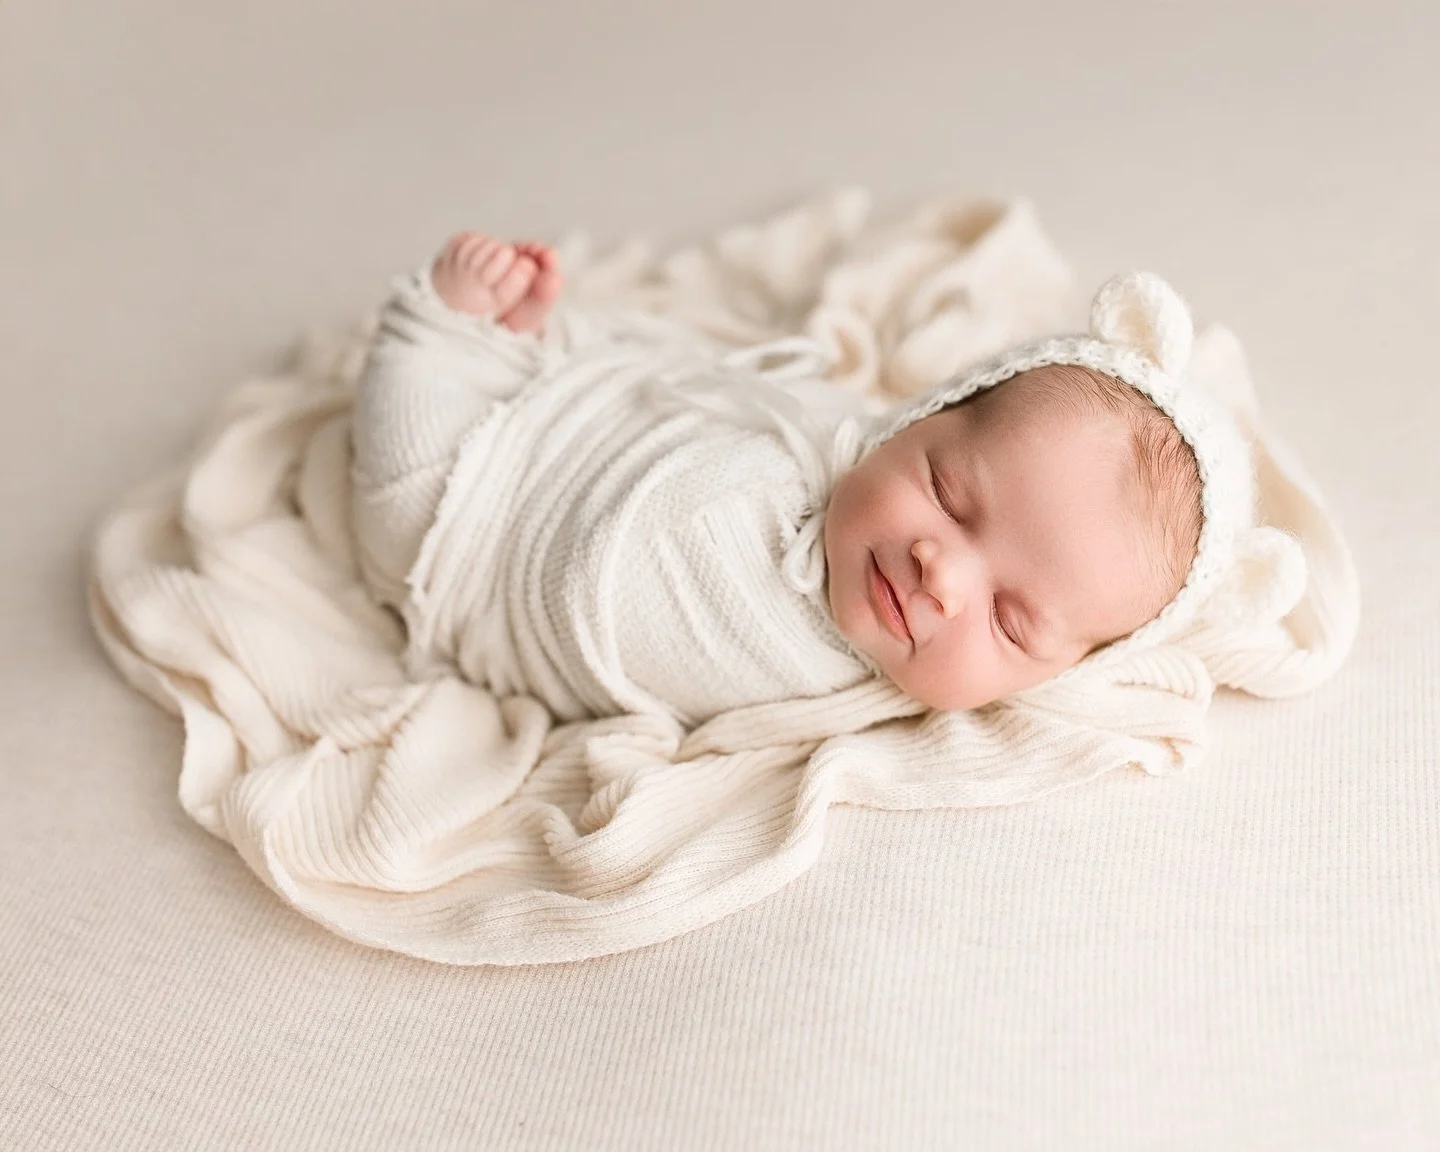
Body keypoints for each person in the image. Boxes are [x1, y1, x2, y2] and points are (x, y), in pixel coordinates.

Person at [350, 231, 1236, 724]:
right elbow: (711, 391)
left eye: (1011, 620)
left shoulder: (825, 698)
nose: (941, 575)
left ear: (1067, 672)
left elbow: (589, 596)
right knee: (643, 352)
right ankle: (512, 344)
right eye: (948, 495)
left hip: (466, 556)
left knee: (403, 487)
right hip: (586, 415)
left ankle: (428, 331)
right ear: (921, 416)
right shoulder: (838, 434)